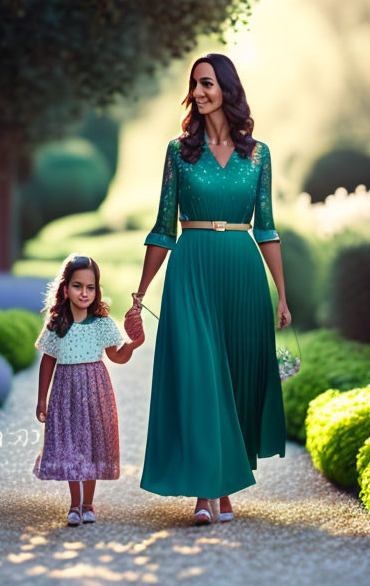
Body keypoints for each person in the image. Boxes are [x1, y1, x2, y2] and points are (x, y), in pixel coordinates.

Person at [124, 53, 292, 525]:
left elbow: (268, 228)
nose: (198, 92)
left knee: (236, 377)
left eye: (207, 84)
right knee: (199, 375)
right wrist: (140, 293)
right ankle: (204, 491)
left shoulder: (258, 154)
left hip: (241, 270)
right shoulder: (179, 152)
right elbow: (162, 228)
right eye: (195, 85)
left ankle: (225, 483)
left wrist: (281, 293)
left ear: (227, 90)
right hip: (191, 268)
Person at [34, 254, 143, 526]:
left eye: (90, 287)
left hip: (96, 390)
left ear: (97, 290)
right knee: (70, 445)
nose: (84, 293)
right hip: (65, 392)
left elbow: (116, 357)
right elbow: (48, 362)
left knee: (93, 444)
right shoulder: (57, 324)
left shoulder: (103, 324)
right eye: (77, 286)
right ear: (65, 288)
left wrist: (131, 345)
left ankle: (88, 503)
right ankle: (74, 504)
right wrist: (41, 400)